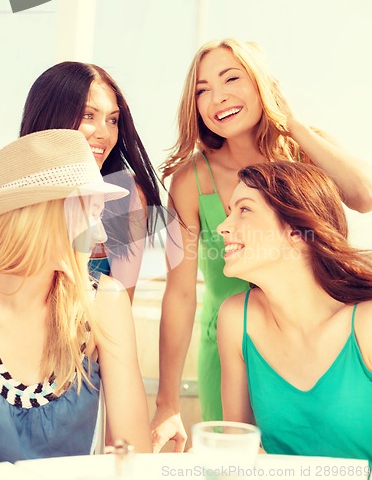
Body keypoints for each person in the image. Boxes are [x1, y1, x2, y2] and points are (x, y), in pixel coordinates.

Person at [151, 38, 372, 452]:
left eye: (232, 78)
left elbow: (364, 195)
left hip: (322, 344)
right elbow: (180, 294)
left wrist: (295, 125)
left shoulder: (307, 151)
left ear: (261, 84)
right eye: (202, 90)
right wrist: (166, 402)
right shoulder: (189, 182)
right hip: (232, 344)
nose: (218, 98)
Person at [0, 129, 152, 462]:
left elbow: (134, 454)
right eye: (91, 214)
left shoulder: (103, 302)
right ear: (42, 214)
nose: (99, 233)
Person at [217, 161, 372, 463]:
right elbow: (237, 451)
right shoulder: (237, 319)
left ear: (297, 234)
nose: (223, 226)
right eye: (228, 211)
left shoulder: (366, 325)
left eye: (244, 210)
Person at [20, 62, 166, 302]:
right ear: (51, 116)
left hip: (89, 336)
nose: (105, 134)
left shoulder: (126, 194)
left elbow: (121, 305)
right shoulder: (12, 195)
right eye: (89, 115)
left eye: (112, 120)